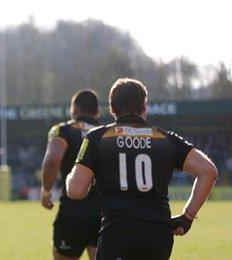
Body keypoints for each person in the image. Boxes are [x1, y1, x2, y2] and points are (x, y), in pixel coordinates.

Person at [67, 78, 218, 260]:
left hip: (117, 233)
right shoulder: (166, 139)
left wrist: (73, 175)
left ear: (112, 108)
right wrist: (187, 217)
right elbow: (209, 172)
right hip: (158, 237)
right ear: (144, 106)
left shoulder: (98, 138)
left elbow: (75, 191)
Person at [40, 90, 101, 260]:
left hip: (73, 212)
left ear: (74, 110)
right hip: (104, 212)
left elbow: (52, 161)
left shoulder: (61, 131)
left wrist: (46, 192)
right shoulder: (107, 133)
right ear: (97, 112)